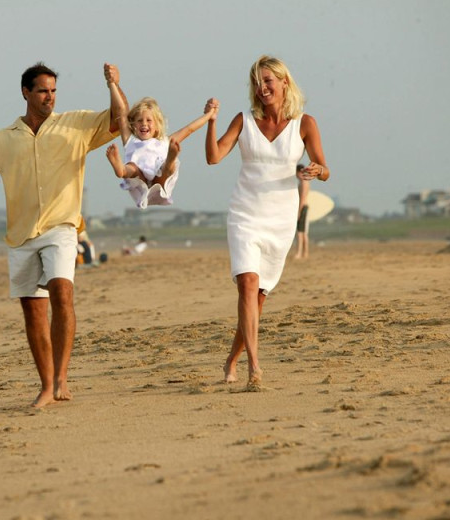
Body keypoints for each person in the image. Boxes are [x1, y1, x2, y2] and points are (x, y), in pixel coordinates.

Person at [0, 62, 126, 408]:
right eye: (42, 91)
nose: (49, 97)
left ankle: (62, 377)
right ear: (26, 92)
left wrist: (113, 84)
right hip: (21, 235)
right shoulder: (3, 139)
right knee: (33, 311)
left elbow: (119, 118)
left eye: (53, 91)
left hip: (62, 226)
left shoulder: (76, 124)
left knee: (62, 293)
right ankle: (46, 385)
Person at [204, 55, 330, 390]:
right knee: (246, 283)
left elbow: (324, 167)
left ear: (284, 82)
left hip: (280, 219)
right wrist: (212, 122)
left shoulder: (305, 123)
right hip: (245, 213)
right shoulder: (244, 121)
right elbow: (214, 157)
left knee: (258, 298)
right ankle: (254, 367)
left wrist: (315, 170)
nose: (262, 88)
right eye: (257, 83)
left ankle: (231, 358)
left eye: (268, 81)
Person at [105, 86, 214, 209]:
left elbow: (189, 129)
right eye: (139, 121)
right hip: (140, 182)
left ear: (157, 126)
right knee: (133, 169)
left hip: (160, 180)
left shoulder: (164, 142)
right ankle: (121, 170)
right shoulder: (131, 141)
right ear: (134, 125)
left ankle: (171, 159)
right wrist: (112, 83)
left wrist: (209, 115)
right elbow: (121, 112)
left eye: (149, 120)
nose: (144, 124)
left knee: (165, 168)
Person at [294, 163, 311, 259]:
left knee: (300, 232)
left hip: (303, 207)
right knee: (303, 232)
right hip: (303, 207)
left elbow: (303, 198)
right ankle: (304, 253)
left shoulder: (304, 183)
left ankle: (300, 253)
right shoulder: (304, 182)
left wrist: (299, 212)